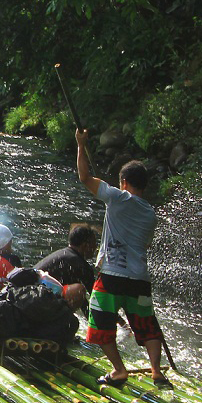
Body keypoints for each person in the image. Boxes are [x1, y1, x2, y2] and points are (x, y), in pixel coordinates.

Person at [76, 129, 170, 388]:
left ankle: (119, 370)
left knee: (100, 321)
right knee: (146, 324)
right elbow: (146, 243)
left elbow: (84, 177)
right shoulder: (150, 213)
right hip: (139, 278)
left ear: (124, 182)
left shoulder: (117, 197)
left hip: (112, 275)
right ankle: (155, 371)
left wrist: (81, 145)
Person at [34, 223, 98, 295]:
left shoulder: (62, 255)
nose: (96, 247)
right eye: (95, 243)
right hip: (37, 299)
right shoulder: (80, 265)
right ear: (85, 245)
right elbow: (94, 296)